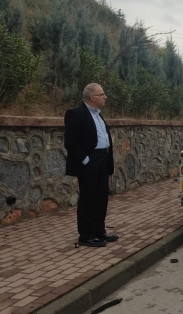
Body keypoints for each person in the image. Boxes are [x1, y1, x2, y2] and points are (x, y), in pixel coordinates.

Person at [64, 83, 119, 247]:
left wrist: (107, 160)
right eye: (102, 94)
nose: (105, 97)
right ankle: (86, 235)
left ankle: (99, 230)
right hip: (89, 161)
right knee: (88, 198)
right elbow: (70, 142)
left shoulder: (98, 115)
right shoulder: (76, 114)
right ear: (92, 97)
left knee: (101, 197)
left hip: (102, 159)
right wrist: (86, 160)